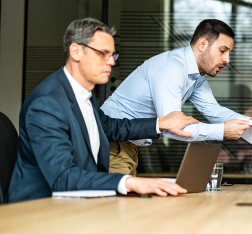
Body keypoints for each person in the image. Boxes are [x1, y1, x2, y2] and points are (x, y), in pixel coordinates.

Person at [8, 18, 198, 203]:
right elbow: (63, 178)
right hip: (39, 212)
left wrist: (160, 123)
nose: (111, 62)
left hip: (81, 203)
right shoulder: (46, 104)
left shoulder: (83, 94)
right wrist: (128, 182)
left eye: (113, 55)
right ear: (76, 52)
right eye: (102, 53)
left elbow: (111, 127)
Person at [101, 19, 252, 176]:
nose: (227, 59)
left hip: (127, 145)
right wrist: (222, 131)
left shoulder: (195, 76)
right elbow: (173, 128)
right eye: (223, 51)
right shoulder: (171, 68)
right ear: (202, 44)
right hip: (113, 141)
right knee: (116, 208)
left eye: (229, 53)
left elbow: (213, 110)